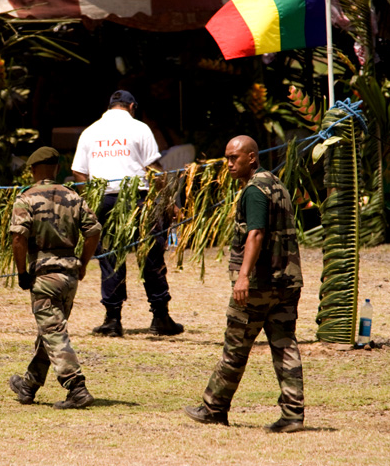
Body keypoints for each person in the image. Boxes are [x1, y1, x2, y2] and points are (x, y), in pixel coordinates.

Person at [184, 135, 305, 433]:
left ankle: (214, 409)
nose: (228, 164)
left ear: (252, 157)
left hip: (259, 285)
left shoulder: (254, 190)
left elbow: (256, 235)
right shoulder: (277, 184)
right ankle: (293, 414)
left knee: (235, 348)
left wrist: (243, 276)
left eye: (234, 158)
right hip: (286, 282)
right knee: (285, 345)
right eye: (226, 158)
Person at [71, 90, 183, 337]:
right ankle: (160, 317)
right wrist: (168, 202)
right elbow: (154, 170)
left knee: (111, 257)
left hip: (104, 199)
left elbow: (79, 171)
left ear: (110, 107)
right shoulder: (140, 128)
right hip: (137, 200)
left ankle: (112, 320)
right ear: (132, 106)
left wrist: (90, 197)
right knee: (151, 254)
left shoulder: (90, 131)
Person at [9, 146, 101, 409]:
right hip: (69, 275)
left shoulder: (26, 198)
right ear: (57, 168)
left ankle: (77, 388)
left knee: (53, 332)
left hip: (44, 273)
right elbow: (94, 231)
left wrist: (22, 273)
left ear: (33, 169)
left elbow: (18, 237)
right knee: (50, 331)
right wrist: (82, 263)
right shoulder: (74, 196)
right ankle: (28, 385)